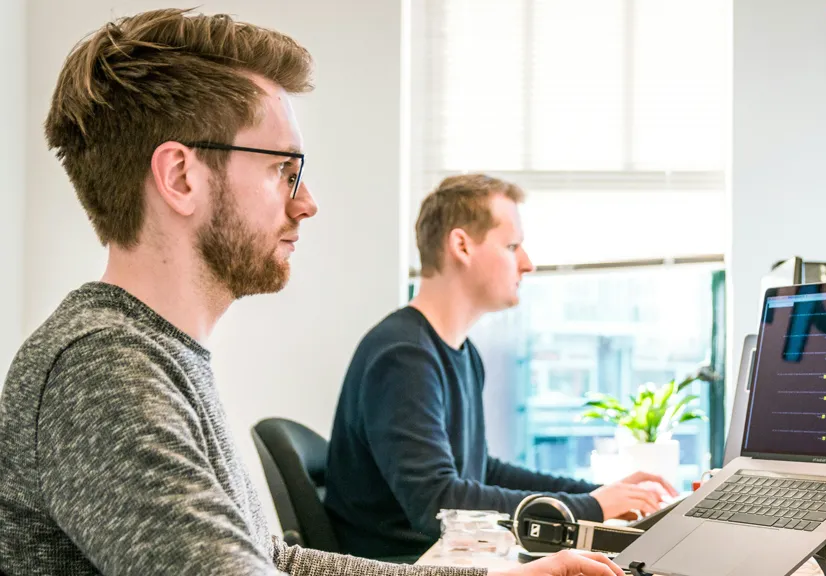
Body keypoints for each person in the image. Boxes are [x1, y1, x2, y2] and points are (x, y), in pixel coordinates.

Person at [0, 9, 625, 576]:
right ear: (181, 177)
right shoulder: (103, 369)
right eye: (283, 169)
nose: (307, 202)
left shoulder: (156, 355)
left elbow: (273, 558)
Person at [325, 174, 676, 560]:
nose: (528, 264)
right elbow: (439, 504)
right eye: (512, 246)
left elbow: (481, 472)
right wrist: (590, 508)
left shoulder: (460, 353)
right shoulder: (403, 357)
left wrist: (596, 494)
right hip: (403, 564)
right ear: (461, 246)